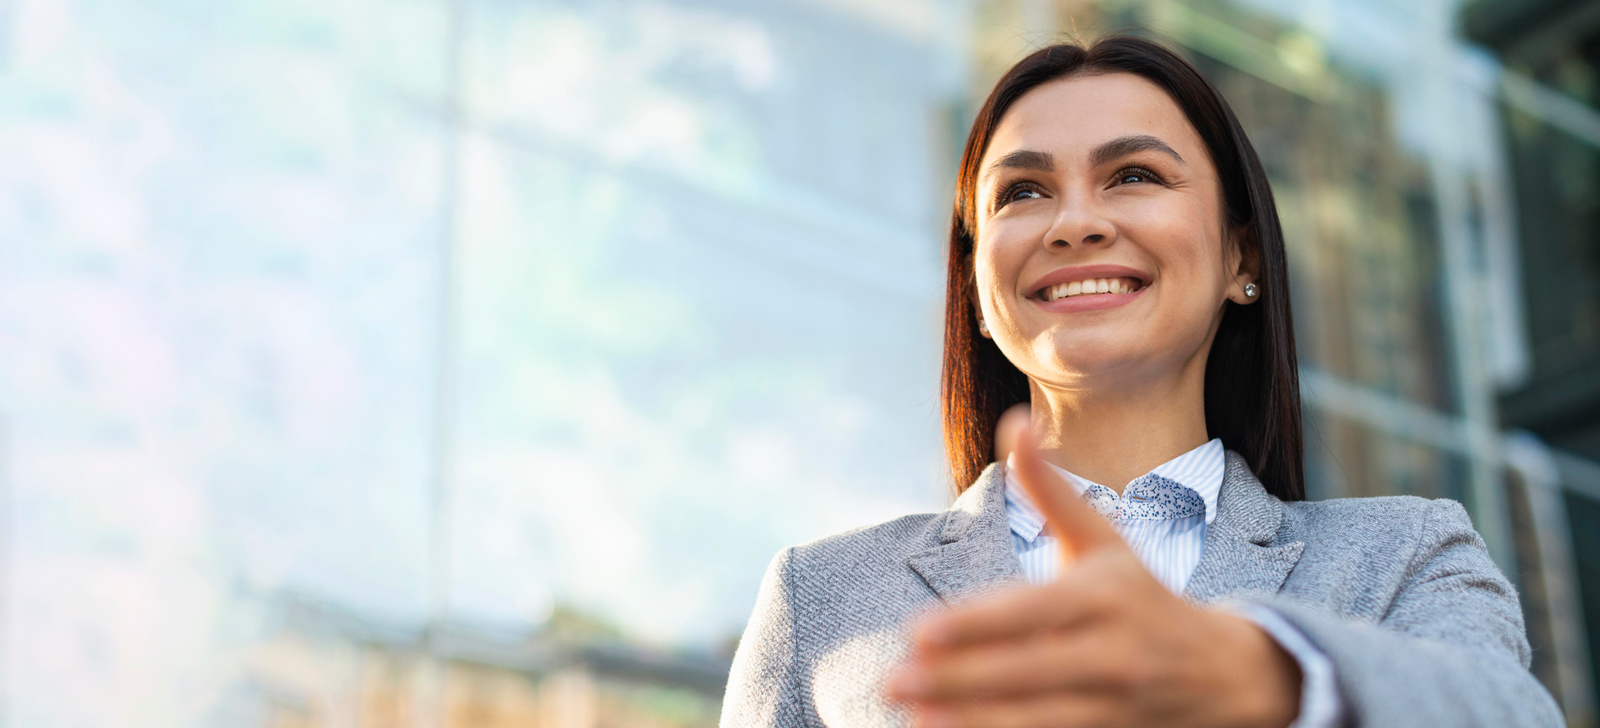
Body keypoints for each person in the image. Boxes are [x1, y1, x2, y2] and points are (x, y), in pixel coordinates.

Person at [720, 35, 1563, 728]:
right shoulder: (820, 598)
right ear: (976, 290)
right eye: (1022, 191)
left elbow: (1511, 713)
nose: (1074, 223)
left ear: (1242, 257)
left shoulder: (1405, 555)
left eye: (1134, 176)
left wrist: (1260, 674)